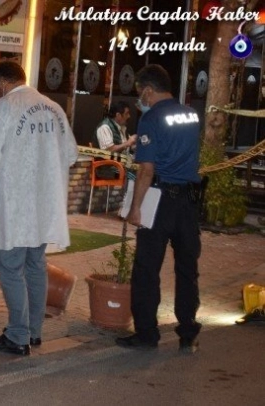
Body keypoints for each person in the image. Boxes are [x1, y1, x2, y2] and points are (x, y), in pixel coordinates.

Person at [0, 61, 78, 356]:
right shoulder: (54, 108)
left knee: (10, 269)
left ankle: (18, 336)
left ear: (1, 85)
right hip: (44, 206)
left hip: (14, 205)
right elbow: (71, 155)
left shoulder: (4, 108)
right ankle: (34, 332)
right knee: (35, 266)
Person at [116, 64, 203, 354]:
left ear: (149, 90)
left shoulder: (151, 118)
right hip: (188, 202)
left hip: (160, 201)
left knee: (146, 269)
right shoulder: (190, 114)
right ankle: (188, 331)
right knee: (187, 269)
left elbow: (146, 170)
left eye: (141, 92)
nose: (140, 99)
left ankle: (146, 334)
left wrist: (135, 208)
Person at [94, 101, 137, 180]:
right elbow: (108, 150)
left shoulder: (121, 127)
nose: (129, 116)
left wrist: (133, 145)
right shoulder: (105, 127)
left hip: (120, 165)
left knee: (143, 172)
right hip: (106, 168)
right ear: (118, 115)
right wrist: (127, 143)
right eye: (126, 113)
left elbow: (125, 147)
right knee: (136, 177)